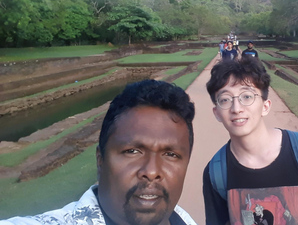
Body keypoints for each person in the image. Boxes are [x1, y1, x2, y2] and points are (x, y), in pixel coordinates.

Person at [1, 80, 197, 225]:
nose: (152, 171)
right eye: (133, 151)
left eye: (171, 155)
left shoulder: (183, 219)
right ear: (100, 160)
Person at [203, 58, 298, 224]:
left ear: (265, 106)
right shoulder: (216, 172)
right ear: (217, 112)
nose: (236, 109)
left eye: (247, 96)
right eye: (225, 99)